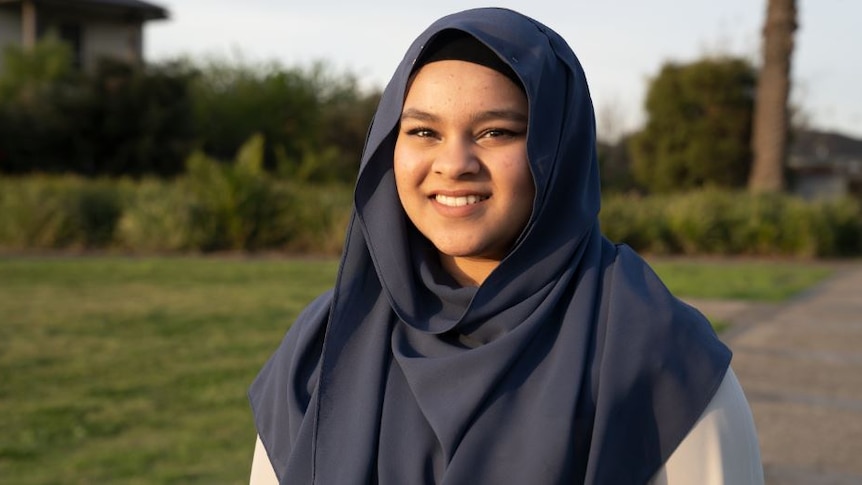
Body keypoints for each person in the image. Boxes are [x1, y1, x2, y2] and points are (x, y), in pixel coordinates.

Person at [248, 7, 763, 484]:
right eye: (424, 131)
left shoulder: (651, 349)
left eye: (496, 132)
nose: (454, 163)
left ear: (557, 149)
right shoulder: (325, 344)